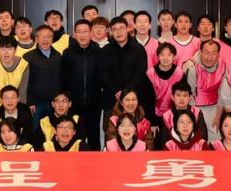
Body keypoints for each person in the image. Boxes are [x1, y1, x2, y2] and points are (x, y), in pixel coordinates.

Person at [60, 19, 105, 150]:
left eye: (85, 31)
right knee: (76, 138)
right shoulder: (68, 53)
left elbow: (104, 77)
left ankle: (95, 162)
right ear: (74, 34)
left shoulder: (99, 52)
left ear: (91, 33)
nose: (82, 35)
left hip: (94, 103)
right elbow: (63, 78)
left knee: (94, 137)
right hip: (74, 104)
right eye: (79, 32)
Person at [99, 19, 149, 109]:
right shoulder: (106, 50)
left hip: (133, 97)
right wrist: (117, 92)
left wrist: (126, 91)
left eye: (121, 28)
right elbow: (104, 74)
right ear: (111, 32)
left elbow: (141, 72)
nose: (118, 32)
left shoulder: (138, 49)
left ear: (127, 29)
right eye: (114, 29)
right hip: (112, 97)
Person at [187, 39, 226, 140]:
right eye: (206, 53)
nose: (209, 57)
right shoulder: (191, 66)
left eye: (213, 53)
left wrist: (218, 116)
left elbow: (223, 94)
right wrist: (194, 115)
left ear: (218, 54)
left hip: (215, 107)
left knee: (216, 138)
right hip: (195, 107)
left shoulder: (223, 66)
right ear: (200, 52)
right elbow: (189, 94)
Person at [25, 24, 63, 121]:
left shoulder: (58, 56)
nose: (45, 40)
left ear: (52, 39)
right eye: (42, 36)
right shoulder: (28, 57)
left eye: (49, 36)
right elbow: (26, 82)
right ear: (37, 39)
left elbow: (61, 79)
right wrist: (30, 102)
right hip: (37, 103)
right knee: (36, 128)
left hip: (55, 103)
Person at [0, 37, 30, 112]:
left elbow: (22, 93)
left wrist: (20, 113)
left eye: (10, 49)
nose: (6, 52)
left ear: (15, 50)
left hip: (17, 106)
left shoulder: (23, 65)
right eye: (3, 49)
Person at [146, 43, 185, 119]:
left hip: (175, 114)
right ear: (158, 57)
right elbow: (147, 99)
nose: (165, 58)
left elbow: (182, 97)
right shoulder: (150, 74)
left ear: (174, 57)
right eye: (162, 55)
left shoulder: (180, 73)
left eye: (169, 55)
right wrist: (152, 120)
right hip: (154, 114)